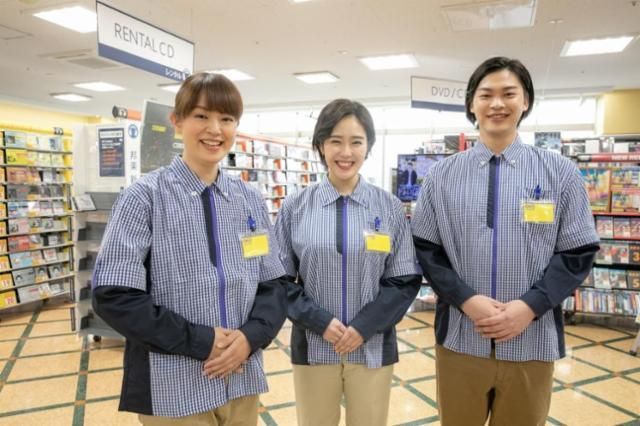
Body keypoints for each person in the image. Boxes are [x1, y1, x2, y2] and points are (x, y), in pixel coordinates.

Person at [411, 57, 599, 426]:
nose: (497, 104)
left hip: (532, 339)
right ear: (471, 104)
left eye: (509, 94)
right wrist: (467, 300)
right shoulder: (442, 176)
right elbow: (426, 250)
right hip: (461, 338)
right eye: (486, 95)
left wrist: (529, 306)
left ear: (525, 101)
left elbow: (577, 252)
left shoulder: (559, 173)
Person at [92, 72, 288, 425]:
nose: (215, 129)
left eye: (226, 119)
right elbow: (114, 295)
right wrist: (201, 341)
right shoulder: (144, 198)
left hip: (242, 380)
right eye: (201, 116)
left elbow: (273, 285)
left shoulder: (249, 200)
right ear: (177, 121)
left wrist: (250, 338)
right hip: (173, 389)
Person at [274, 99, 422, 426]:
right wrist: (321, 322)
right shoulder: (295, 207)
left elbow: (403, 280)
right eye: (335, 141)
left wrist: (362, 327)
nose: (346, 152)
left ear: (368, 147)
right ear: (320, 145)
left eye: (356, 142)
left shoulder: (389, 207)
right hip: (313, 345)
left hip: (373, 346)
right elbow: (279, 281)